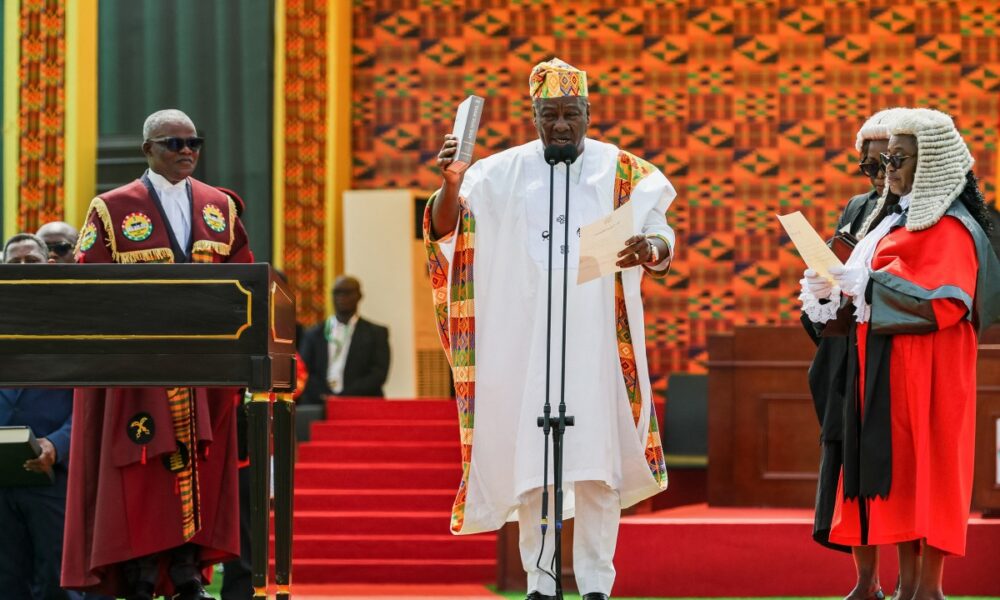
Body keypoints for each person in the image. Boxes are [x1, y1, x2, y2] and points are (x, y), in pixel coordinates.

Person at [425, 58, 674, 600]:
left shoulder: (625, 171)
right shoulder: (496, 173)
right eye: (549, 116)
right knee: (535, 464)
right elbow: (445, 232)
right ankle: (540, 583)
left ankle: (595, 587)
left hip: (600, 344)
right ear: (533, 115)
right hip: (525, 345)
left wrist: (650, 249)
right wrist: (450, 183)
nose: (561, 126)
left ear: (588, 112)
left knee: (597, 466)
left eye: (571, 114)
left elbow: (660, 235)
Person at [807, 107, 999, 600]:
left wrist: (865, 283)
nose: (889, 166)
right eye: (887, 156)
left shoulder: (952, 227)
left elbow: (947, 301)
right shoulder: (892, 218)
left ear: (931, 163)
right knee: (896, 474)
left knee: (927, 471)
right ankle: (895, 586)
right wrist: (832, 291)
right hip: (889, 370)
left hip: (929, 374)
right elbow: (868, 287)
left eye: (901, 158)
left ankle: (926, 588)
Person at [62, 109, 253, 600]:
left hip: (204, 370)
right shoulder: (111, 207)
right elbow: (87, 284)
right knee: (144, 468)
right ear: (148, 148)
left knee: (201, 466)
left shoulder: (221, 207)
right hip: (139, 371)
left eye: (195, 142)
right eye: (174, 142)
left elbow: (246, 280)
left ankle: (188, 565)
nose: (186, 150)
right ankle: (144, 566)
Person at [799, 108, 907, 600]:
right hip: (848, 353)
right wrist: (822, 282)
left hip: (894, 351)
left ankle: (914, 583)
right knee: (851, 466)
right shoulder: (856, 206)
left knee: (896, 466)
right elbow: (836, 265)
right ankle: (867, 582)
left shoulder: (921, 209)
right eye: (869, 167)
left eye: (887, 164)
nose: (879, 176)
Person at [0, 234, 80, 600]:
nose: (21, 270)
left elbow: (90, 402)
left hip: (53, 476)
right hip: (1, 480)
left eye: (30, 262)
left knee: (56, 581)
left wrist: (57, 444)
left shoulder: (74, 327)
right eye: (13, 263)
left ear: (48, 265)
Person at [299, 275, 390, 404]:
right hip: (319, 403)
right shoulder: (313, 334)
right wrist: (325, 395)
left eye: (347, 292)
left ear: (359, 296)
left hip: (362, 403)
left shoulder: (376, 333)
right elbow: (304, 370)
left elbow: (378, 373)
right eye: (337, 292)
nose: (341, 297)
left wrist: (345, 396)